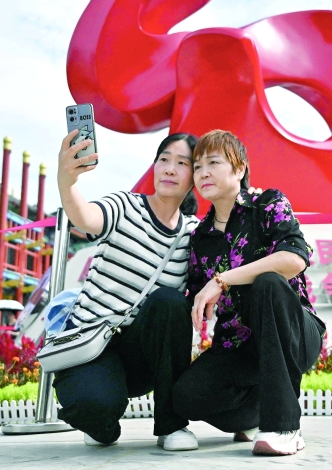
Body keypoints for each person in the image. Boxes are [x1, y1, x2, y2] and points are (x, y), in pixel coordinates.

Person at [172, 130, 325, 457]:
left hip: (293, 333)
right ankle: (257, 414)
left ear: (239, 168)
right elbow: (197, 296)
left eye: (213, 162)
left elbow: (295, 258)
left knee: (267, 282)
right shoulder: (201, 237)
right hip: (241, 347)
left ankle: (284, 424)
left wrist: (223, 279)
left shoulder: (267, 204)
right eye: (198, 167)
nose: (204, 173)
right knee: (186, 396)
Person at [52, 131, 201, 451]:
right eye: (164, 160)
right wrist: (67, 182)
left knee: (170, 301)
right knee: (96, 409)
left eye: (182, 163)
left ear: (195, 176)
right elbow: (86, 217)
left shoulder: (192, 234)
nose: (170, 169)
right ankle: (99, 418)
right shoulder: (125, 205)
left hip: (141, 356)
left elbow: (226, 253)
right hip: (89, 345)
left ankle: (171, 425)